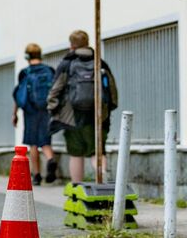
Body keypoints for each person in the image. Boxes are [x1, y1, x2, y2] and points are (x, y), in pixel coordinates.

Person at [47, 30, 118, 183]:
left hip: (73, 117)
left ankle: (76, 188)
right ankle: (104, 179)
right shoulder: (99, 62)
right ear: (87, 43)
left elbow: (55, 89)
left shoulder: (67, 63)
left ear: (71, 45)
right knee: (97, 152)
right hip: (97, 117)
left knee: (76, 154)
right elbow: (112, 90)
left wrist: (53, 109)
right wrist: (107, 111)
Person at [13, 43, 57, 185]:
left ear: (27, 56)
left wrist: (15, 114)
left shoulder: (24, 73)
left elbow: (19, 95)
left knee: (33, 143)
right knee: (45, 140)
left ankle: (36, 175)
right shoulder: (49, 70)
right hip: (46, 110)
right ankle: (51, 159)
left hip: (30, 111)